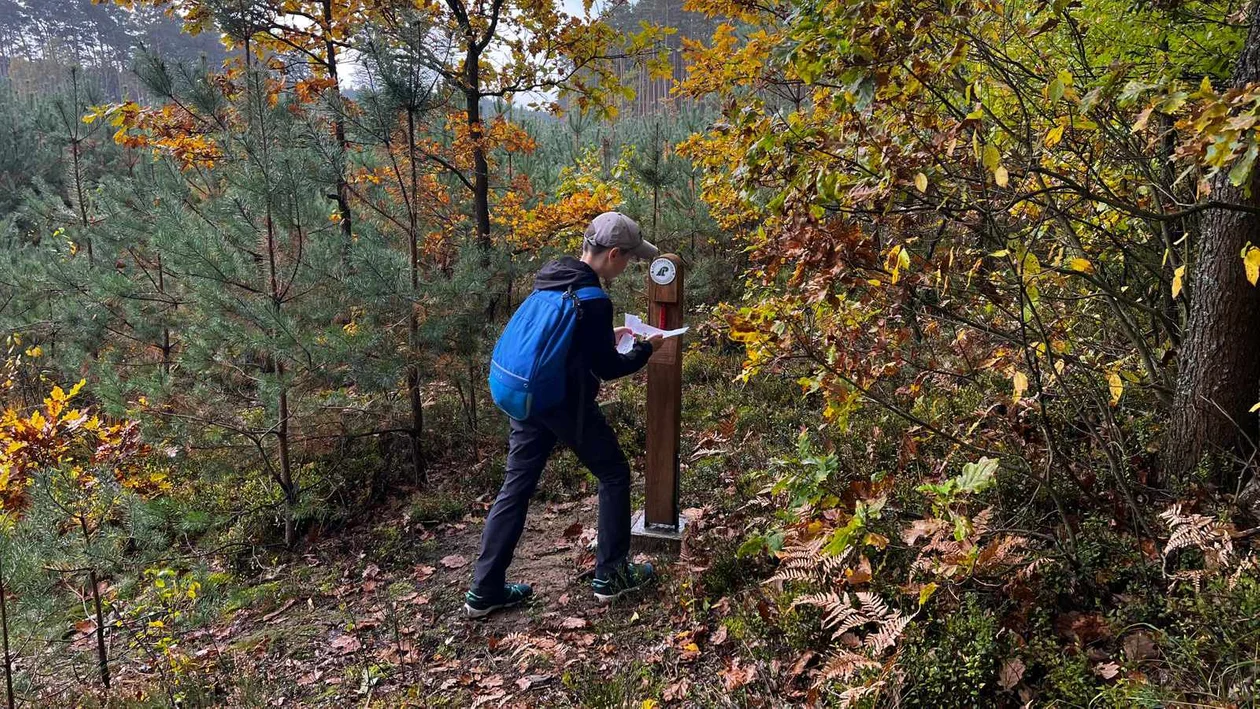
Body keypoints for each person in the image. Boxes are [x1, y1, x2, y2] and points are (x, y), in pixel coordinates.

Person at [465, 212, 664, 619]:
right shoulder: (594, 299)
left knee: (515, 487)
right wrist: (645, 349)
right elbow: (608, 368)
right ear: (612, 254)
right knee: (613, 473)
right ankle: (611, 575)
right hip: (564, 402)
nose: (627, 267)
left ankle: (484, 589)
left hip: (528, 395)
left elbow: (559, 341)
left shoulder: (552, 278)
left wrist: (606, 339)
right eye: (627, 259)